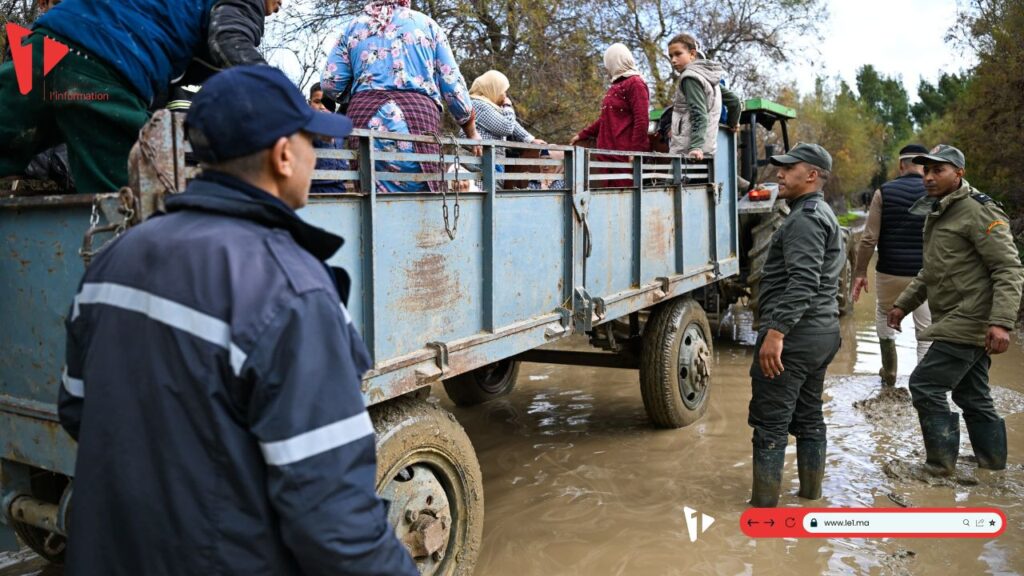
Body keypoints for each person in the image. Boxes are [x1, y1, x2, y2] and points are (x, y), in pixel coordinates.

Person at [58, 65, 417, 576]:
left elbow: (78, 411)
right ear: (284, 154)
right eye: (313, 139)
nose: (318, 155)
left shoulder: (118, 257)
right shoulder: (292, 291)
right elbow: (335, 516)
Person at [0, 0, 279, 195]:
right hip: (105, 65)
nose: (280, 7)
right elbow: (230, 42)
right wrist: (283, 101)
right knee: (126, 206)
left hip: (47, 41)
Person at [888, 145, 1024, 476]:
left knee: (924, 384)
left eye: (939, 170)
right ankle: (992, 466)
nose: (929, 177)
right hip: (955, 315)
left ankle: (939, 467)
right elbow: (932, 270)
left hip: (970, 317)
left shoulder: (979, 211)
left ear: (958, 173)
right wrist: (903, 304)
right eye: (926, 171)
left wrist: (1002, 323)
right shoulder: (940, 210)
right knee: (971, 393)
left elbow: (1008, 268)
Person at [747, 143, 844, 507]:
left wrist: (776, 332)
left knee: (770, 425)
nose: (779, 174)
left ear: (812, 175)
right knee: (809, 416)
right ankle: (810, 499)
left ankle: (763, 510)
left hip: (796, 336)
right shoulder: (822, 213)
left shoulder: (804, 218)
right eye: (780, 168)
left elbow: (803, 281)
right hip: (822, 332)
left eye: (789, 168)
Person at [321, 0, 480, 194]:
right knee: (419, 202)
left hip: (365, 122)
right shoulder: (427, 25)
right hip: (418, 123)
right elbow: (452, 86)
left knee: (369, 201)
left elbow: (330, 82)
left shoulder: (353, 28)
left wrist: (355, 94)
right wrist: (471, 130)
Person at [852, 144, 932, 387]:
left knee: (884, 316)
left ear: (900, 165)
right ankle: (924, 383)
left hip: (889, 273)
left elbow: (868, 238)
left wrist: (860, 272)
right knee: (926, 331)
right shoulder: (935, 191)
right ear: (926, 165)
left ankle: (889, 373)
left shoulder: (884, 192)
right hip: (925, 275)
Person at [570, 43, 650, 187]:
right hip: (607, 155)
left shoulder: (635, 83)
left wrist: (636, 152)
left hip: (624, 157)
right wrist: (582, 135)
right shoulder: (615, 86)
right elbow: (605, 120)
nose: (606, 68)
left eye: (608, 63)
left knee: (623, 202)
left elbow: (642, 120)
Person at [665, 34, 740, 160]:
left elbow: (699, 113)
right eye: (671, 56)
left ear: (692, 54)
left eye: (678, 54)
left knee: (675, 179)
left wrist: (695, 147)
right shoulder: (707, 77)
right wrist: (733, 123)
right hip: (706, 149)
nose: (673, 60)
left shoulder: (689, 78)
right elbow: (734, 101)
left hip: (688, 151)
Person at [469, 69, 545, 176]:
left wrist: (530, 139)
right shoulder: (479, 105)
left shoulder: (489, 104)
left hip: (490, 159)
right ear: (492, 88)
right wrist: (507, 106)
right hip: (481, 162)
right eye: (502, 91)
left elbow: (511, 123)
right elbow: (507, 127)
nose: (505, 95)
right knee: (486, 191)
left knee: (494, 191)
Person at [308, 82, 349, 194]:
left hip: (339, 186)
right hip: (314, 187)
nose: (322, 106)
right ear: (309, 103)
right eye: (317, 102)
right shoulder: (306, 124)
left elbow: (346, 105)